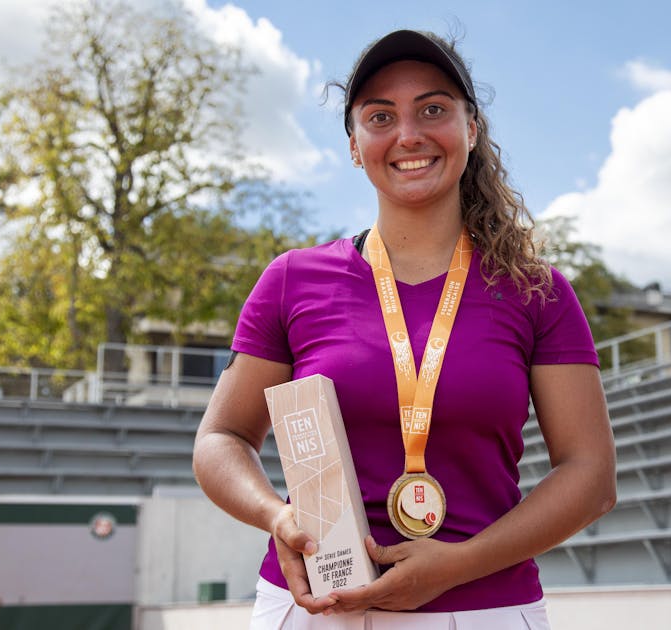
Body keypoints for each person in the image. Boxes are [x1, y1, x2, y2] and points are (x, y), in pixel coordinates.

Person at [193, 29, 616, 629]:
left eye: (433, 109)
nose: (408, 134)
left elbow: (590, 474)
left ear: (471, 129)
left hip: (484, 609)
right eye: (380, 116)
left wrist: (458, 565)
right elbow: (220, 439)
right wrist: (275, 516)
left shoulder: (536, 290)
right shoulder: (292, 279)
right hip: (315, 605)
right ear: (354, 145)